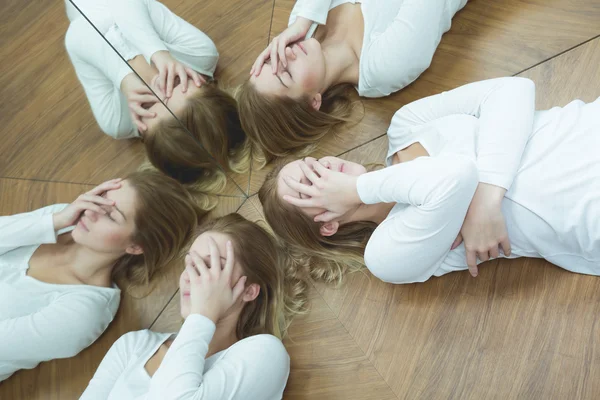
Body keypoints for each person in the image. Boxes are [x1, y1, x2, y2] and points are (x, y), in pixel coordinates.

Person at [259, 77, 600, 284]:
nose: (328, 166)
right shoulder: (386, 254)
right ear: (327, 225)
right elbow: (454, 176)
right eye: (313, 181)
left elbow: (514, 90)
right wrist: (358, 189)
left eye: (315, 162)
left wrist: (485, 204)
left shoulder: (406, 126)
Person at [0, 172, 203, 382]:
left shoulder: (83, 312)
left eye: (111, 215)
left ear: (135, 246)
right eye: (101, 198)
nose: (91, 212)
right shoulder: (61, 219)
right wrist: (54, 221)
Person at [80, 214, 309, 399]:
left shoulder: (264, 355)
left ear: (249, 290)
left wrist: (202, 315)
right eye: (190, 263)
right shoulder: (134, 346)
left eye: (210, 267)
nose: (191, 276)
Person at [237, 0, 468, 161]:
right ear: (312, 102)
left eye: (272, 60)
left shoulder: (304, 25)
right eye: (286, 74)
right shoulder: (386, 67)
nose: (287, 53)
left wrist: (302, 21)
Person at [64, 0, 249, 193]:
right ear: (204, 84)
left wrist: (124, 78)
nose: (155, 83)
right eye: (175, 82)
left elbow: (77, 31)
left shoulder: (117, 122)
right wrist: (157, 52)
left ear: (145, 136)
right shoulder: (200, 54)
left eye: (148, 104)